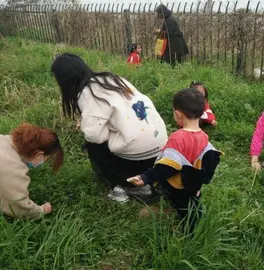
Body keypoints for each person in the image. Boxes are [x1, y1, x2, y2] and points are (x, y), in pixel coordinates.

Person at [51, 53, 168, 203]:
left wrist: (87, 126)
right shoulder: (111, 79)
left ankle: (120, 183)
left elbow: (95, 136)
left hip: (138, 152)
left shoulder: (87, 93)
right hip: (160, 144)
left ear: (65, 80)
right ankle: (144, 179)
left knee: (92, 144)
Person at [128, 88, 222, 232]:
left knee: (184, 206)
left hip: (178, 185)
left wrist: (146, 177)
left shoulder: (177, 138)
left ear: (178, 114)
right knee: (192, 200)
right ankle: (194, 209)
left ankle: (190, 230)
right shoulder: (203, 136)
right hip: (193, 181)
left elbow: (167, 167)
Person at [0, 123, 64, 218]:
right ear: (39, 155)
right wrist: (41, 211)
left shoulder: (3, 139)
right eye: (46, 159)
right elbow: (17, 205)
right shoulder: (12, 167)